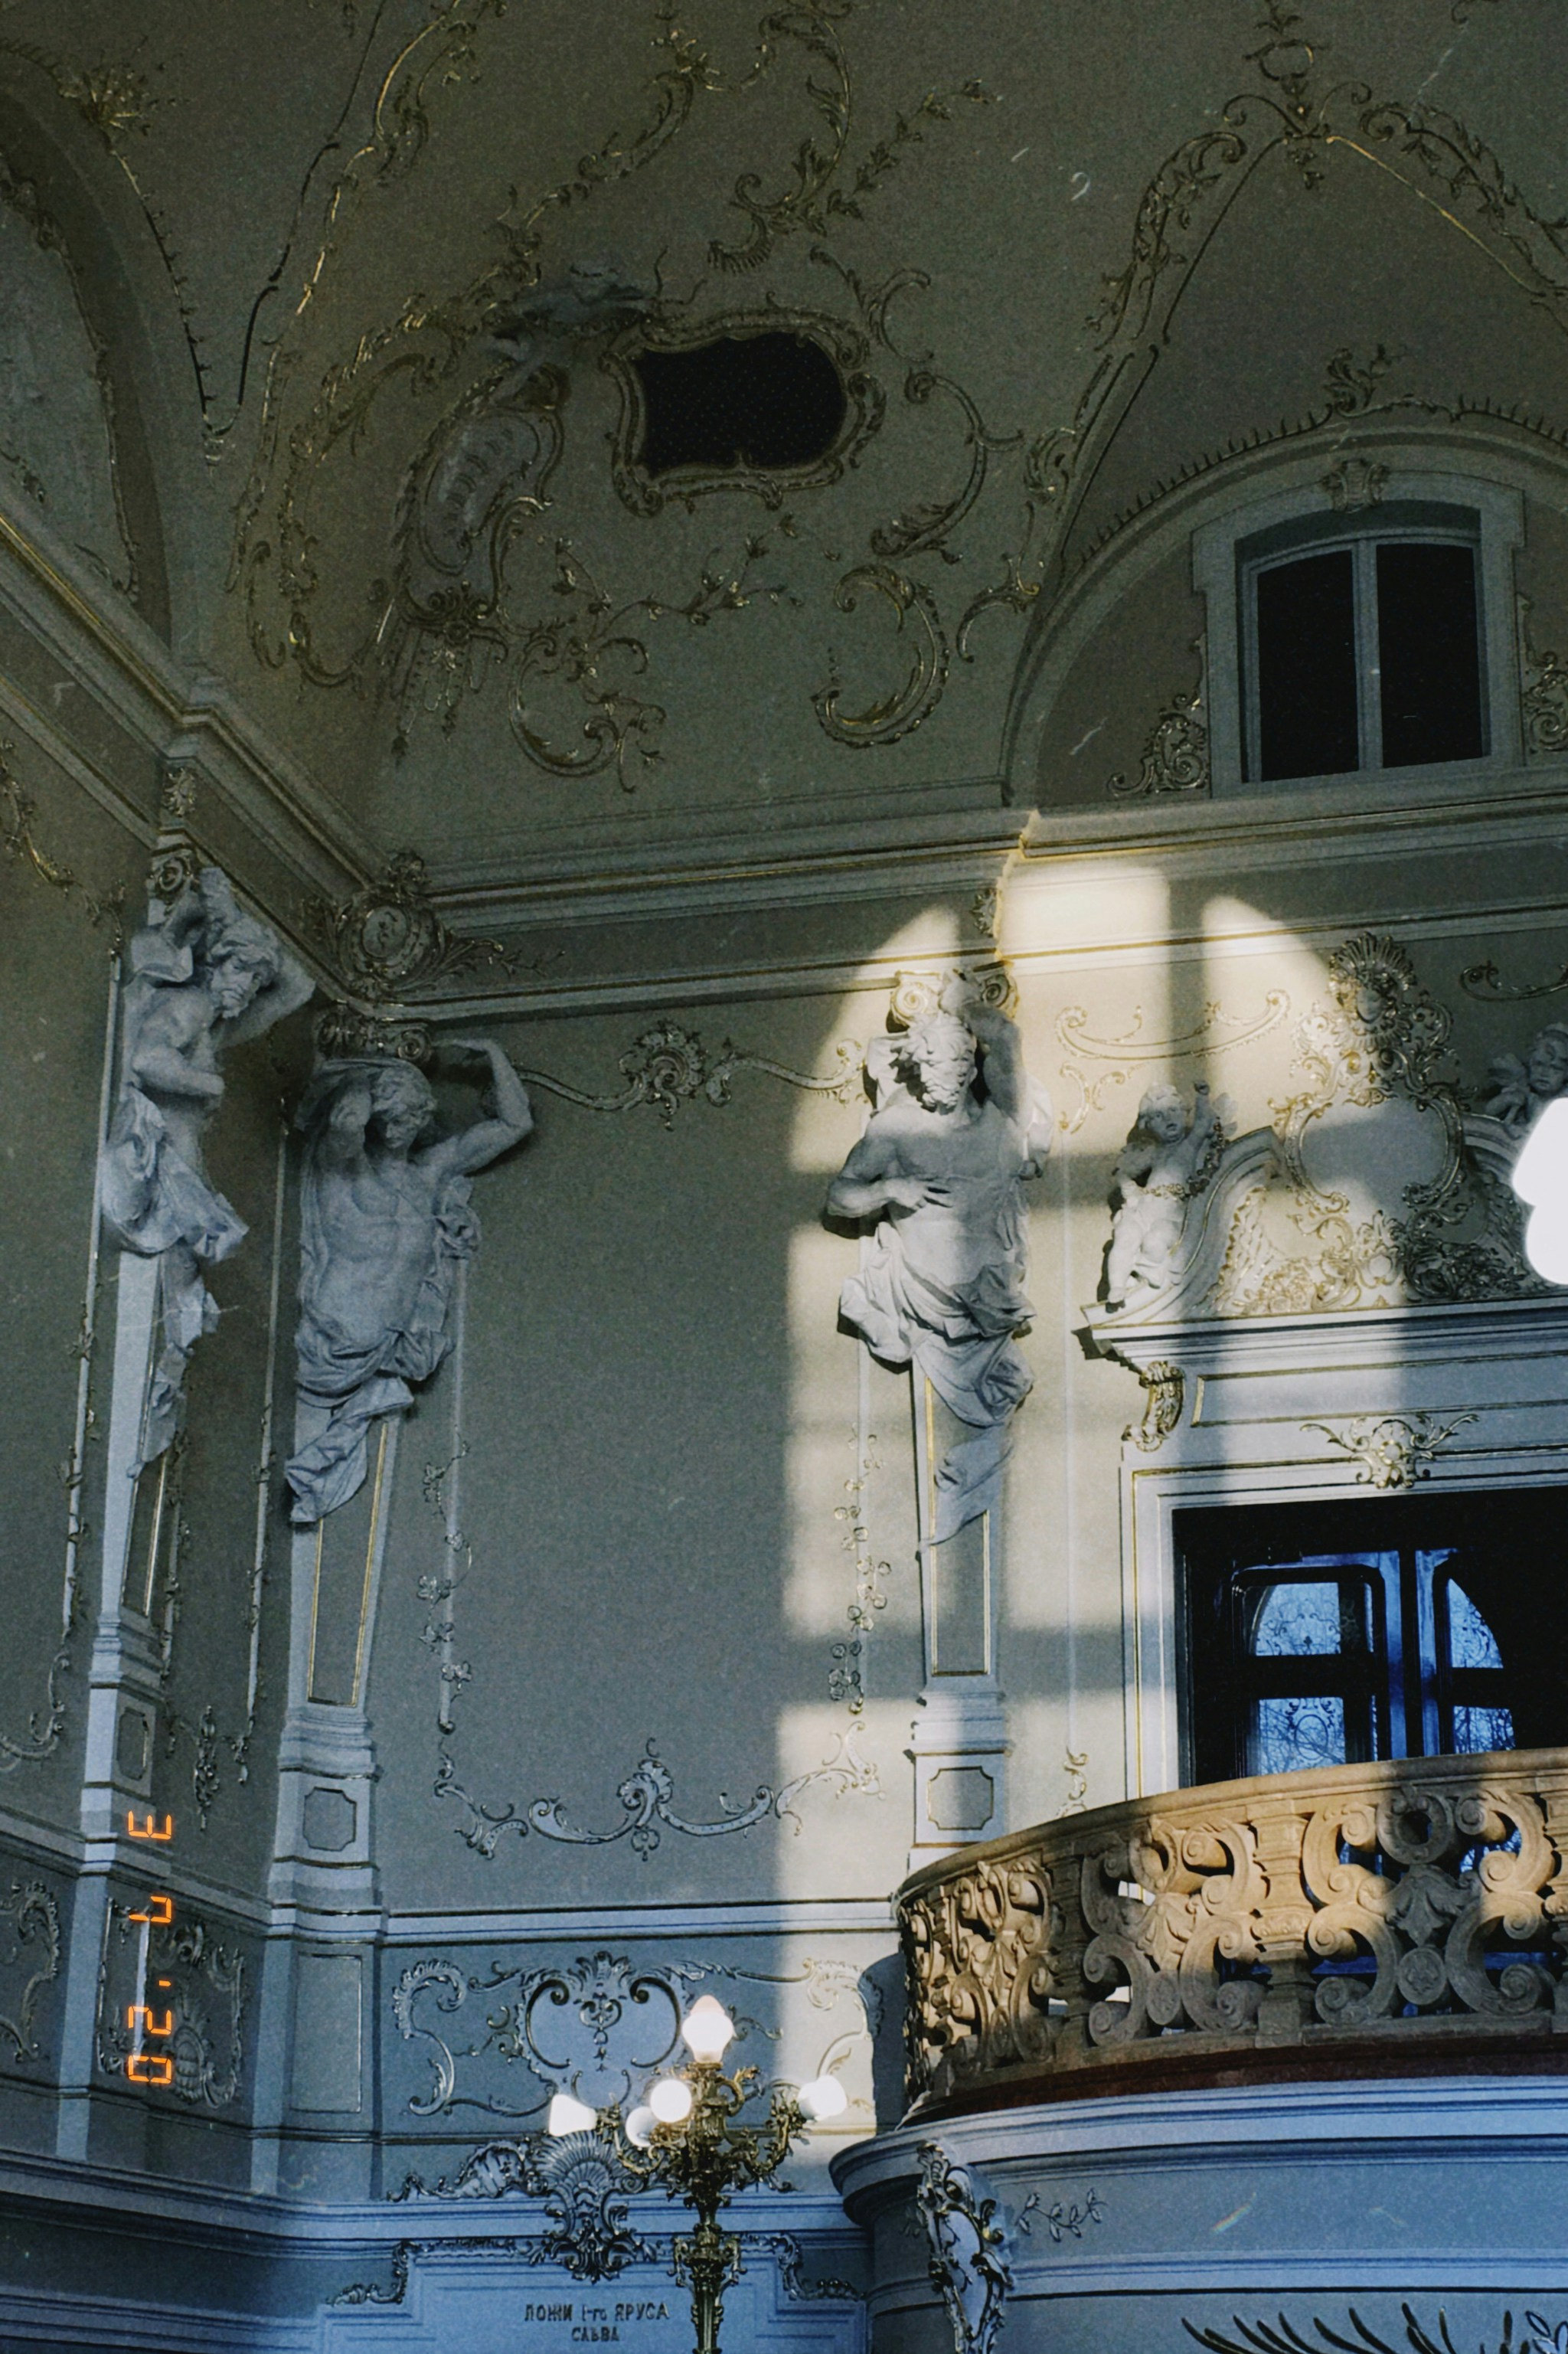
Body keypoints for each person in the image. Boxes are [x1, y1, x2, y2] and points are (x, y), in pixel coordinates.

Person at [101, 867, 313, 1469]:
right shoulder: (192, 1005)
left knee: (182, 1299)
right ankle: (149, 1420)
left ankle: (156, 1410)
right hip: (168, 1169)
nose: (249, 989)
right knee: (178, 1296)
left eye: (255, 979)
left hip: (183, 1171)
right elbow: (146, 1060)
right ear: (216, 963)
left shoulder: (217, 1019)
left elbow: (298, 987)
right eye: (242, 972)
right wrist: (207, 1083)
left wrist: (229, 917)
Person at [825, 979, 1051, 1538]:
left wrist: (960, 1005)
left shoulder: (1001, 1118)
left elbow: (1007, 1038)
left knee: (1012, 1386)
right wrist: (889, 1188)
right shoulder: (897, 1128)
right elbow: (840, 1196)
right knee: (1005, 1387)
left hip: (990, 1288)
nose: (935, 1087)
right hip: (926, 1283)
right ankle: (963, 1479)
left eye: (946, 1074)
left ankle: (969, 1472)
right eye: (925, 1076)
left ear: (971, 1071)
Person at [286, 1041, 533, 1525]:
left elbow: (515, 1124)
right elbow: (344, 1125)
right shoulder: (345, 1168)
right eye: (392, 1115)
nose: (400, 1127)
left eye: (411, 1116)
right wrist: (368, 1076)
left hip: (389, 1345)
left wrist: (494, 1054)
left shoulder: (429, 1175)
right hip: (333, 1339)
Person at [1102, 1081, 1222, 1311]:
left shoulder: (1188, 1146)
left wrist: (1202, 1097)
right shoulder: (1153, 1152)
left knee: (1155, 1242)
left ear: (1184, 1114)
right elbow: (1123, 1173)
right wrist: (1130, 1192)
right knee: (1125, 1237)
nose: (1168, 1118)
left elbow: (1203, 1124)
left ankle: (1145, 1275)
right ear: (1148, 1126)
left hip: (1170, 1212)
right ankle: (1117, 1285)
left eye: (1173, 1110)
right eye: (1158, 1116)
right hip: (1143, 1208)